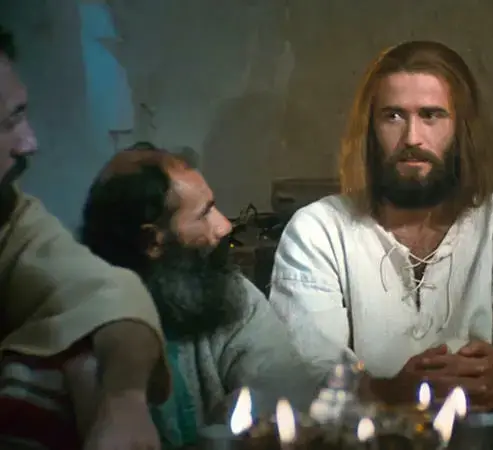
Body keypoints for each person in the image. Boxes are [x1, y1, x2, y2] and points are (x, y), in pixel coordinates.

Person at [269, 40, 493, 412]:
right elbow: (305, 372)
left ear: (461, 128)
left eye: (431, 115)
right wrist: (389, 392)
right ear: (371, 129)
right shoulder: (318, 230)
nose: (412, 138)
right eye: (393, 116)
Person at [79, 148, 319, 448]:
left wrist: (243, 413)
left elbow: (286, 385)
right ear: (152, 241)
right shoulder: (80, 318)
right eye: (204, 213)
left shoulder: (228, 291)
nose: (224, 226)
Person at [0, 25, 168, 449]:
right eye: (6, 124)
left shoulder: (10, 216)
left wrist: (123, 401)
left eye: (20, 114)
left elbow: (109, 295)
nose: (28, 143)